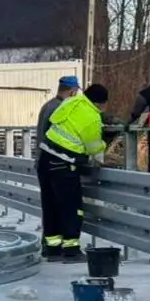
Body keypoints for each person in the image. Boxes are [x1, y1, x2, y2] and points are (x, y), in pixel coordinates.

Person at [38, 81, 109, 261]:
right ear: (100, 103)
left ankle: (52, 249)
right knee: (71, 208)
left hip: (45, 158)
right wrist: (103, 143)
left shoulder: (70, 102)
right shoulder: (92, 117)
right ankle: (71, 249)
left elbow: (57, 123)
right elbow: (93, 148)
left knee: (51, 206)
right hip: (64, 163)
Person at [35, 75, 80, 149]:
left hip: (43, 153)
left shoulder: (48, 105)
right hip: (53, 155)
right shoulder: (62, 109)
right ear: (72, 92)